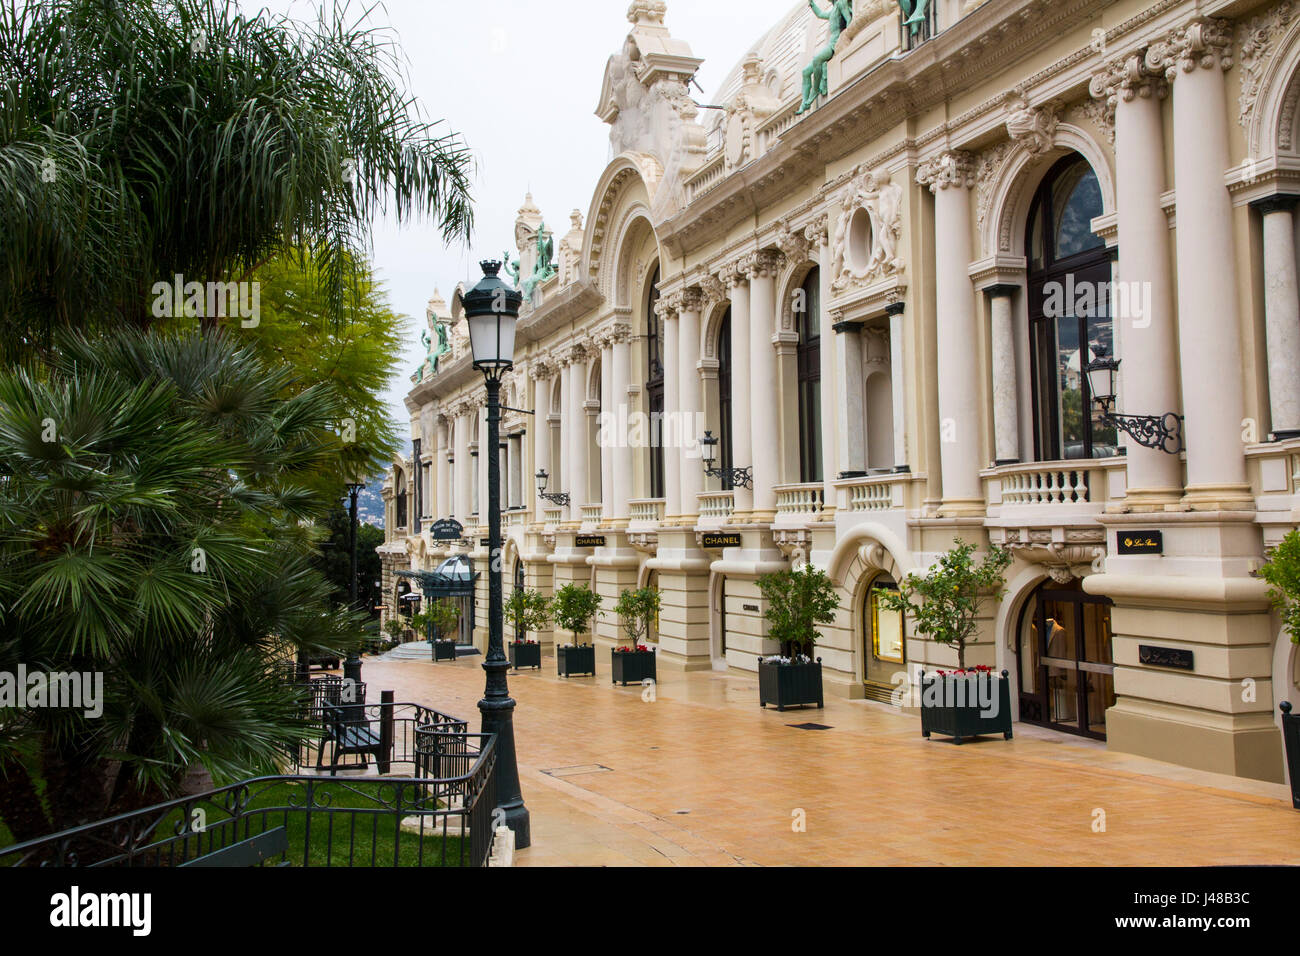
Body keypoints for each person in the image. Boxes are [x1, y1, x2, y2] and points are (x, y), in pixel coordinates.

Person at [797, 0, 854, 114]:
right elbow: (821, 14)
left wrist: (846, 39)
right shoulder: (833, 10)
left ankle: (815, 89)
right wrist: (812, 4)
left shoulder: (841, 3)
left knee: (817, 60)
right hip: (830, 43)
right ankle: (804, 102)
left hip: (835, 43)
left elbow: (849, 21)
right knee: (805, 72)